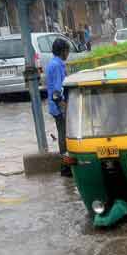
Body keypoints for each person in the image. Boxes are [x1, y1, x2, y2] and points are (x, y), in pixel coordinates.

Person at [45, 38, 71, 177]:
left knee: (64, 135)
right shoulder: (56, 66)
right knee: (63, 136)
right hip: (58, 107)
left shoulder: (56, 63)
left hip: (58, 105)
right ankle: (65, 167)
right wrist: (64, 108)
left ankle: (66, 165)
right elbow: (56, 91)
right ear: (62, 51)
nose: (68, 54)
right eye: (67, 51)